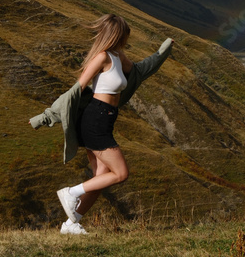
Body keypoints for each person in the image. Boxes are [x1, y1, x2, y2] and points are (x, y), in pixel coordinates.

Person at [29, 14, 174, 234]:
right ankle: (70, 192)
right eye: (124, 34)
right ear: (116, 35)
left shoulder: (118, 56)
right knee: (121, 173)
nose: (126, 39)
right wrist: (47, 116)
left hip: (106, 119)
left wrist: (162, 54)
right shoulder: (102, 57)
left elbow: (139, 71)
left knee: (101, 179)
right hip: (95, 120)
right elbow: (75, 90)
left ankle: (71, 224)